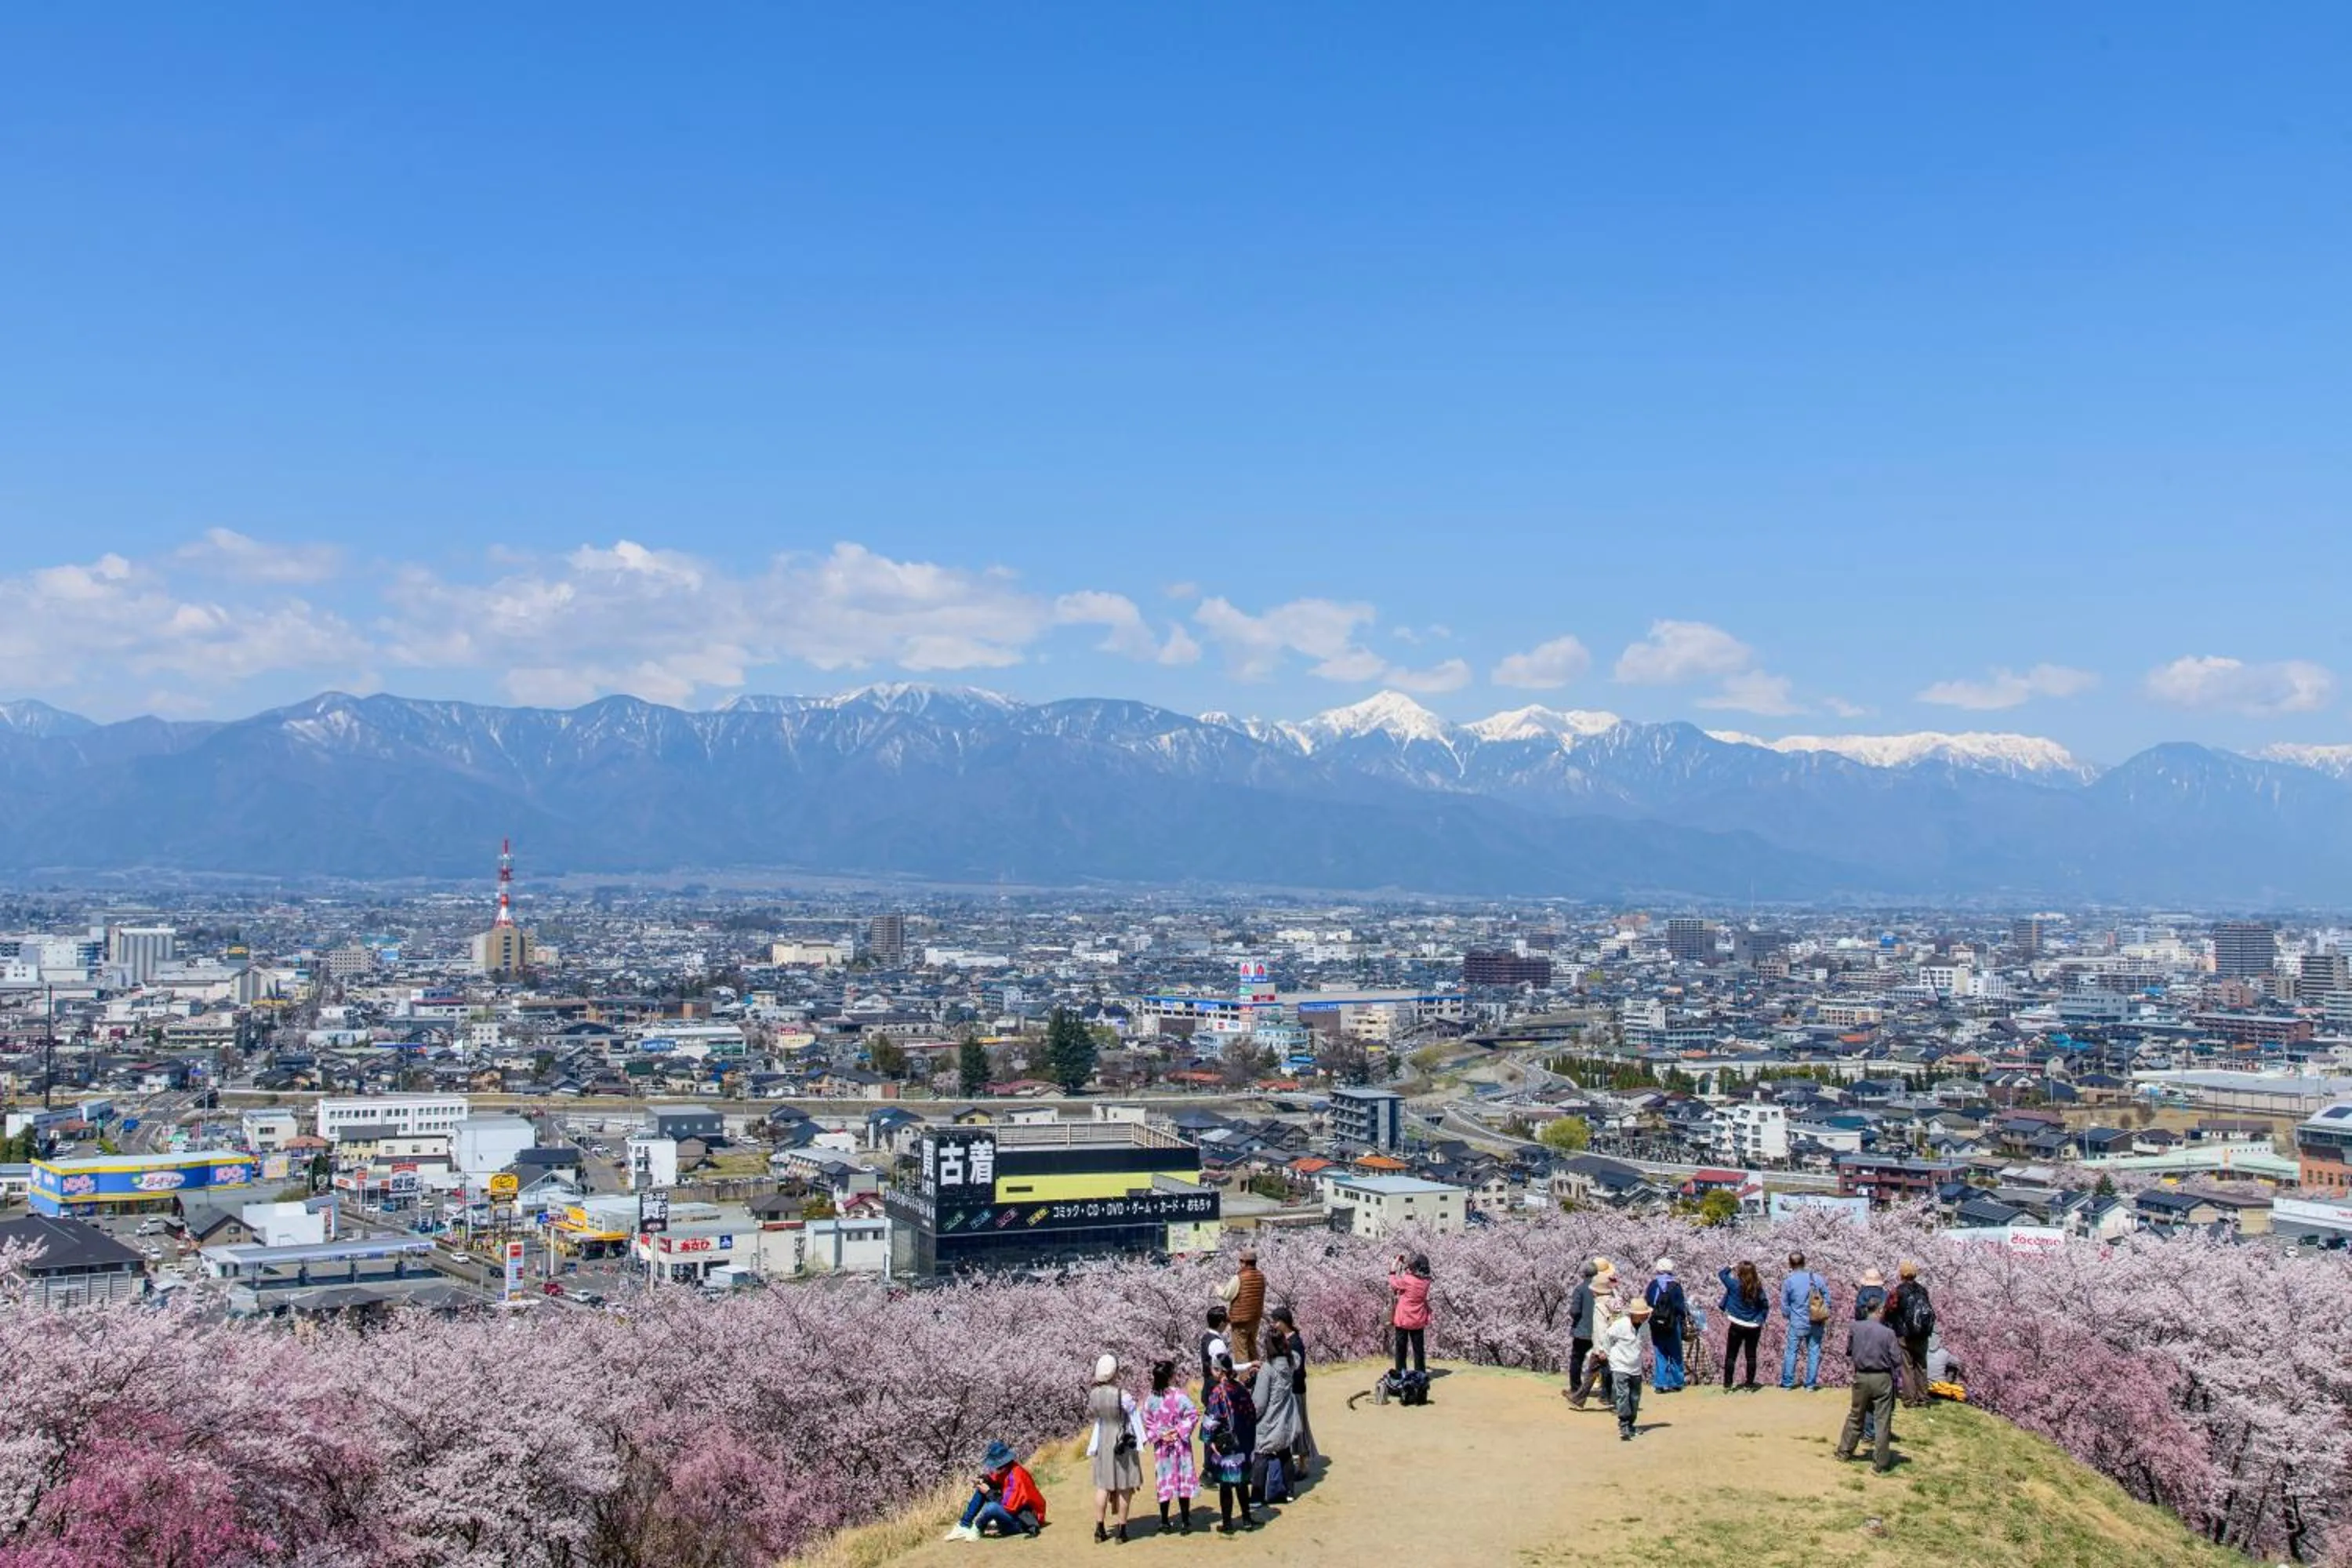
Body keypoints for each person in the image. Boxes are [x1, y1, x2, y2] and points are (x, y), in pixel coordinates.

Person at [1835, 1296, 1904, 1473]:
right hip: (1882, 1378)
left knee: (1856, 1415)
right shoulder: (1888, 1333)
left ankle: (1844, 1452)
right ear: (1880, 1311)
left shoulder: (1855, 1327)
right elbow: (1897, 1360)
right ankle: (1880, 1463)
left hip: (1861, 1377)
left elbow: (1849, 1351)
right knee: (1882, 1419)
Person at [1085, 1354, 1145, 1544]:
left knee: (1103, 1485)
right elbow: (1134, 1413)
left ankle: (1099, 1528)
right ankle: (1122, 1531)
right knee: (1125, 1485)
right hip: (1121, 1441)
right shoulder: (1122, 1395)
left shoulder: (1094, 1395)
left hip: (1103, 1439)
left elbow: (1093, 1414)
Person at [1201, 1355, 1259, 1534]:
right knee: (1242, 1483)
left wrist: (1209, 1439)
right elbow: (1251, 1415)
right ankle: (1247, 1519)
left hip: (1225, 1443)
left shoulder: (1218, 1392)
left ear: (1219, 1371)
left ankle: (1227, 1524)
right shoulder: (1241, 1389)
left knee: (1226, 1485)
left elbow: (1211, 1420)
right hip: (1242, 1443)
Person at [1142, 1359, 1200, 1535]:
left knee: (1164, 1480)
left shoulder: (1150, 1399)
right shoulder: (1180, 1396)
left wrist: (1160, 1434)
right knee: (1183, 1479)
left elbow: (1147, 1422)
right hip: (1180, 1444)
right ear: (1171, 1376)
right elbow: (1192, 1414)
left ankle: (1165, 1521)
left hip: (1162, 1448)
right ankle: (1185, 1521)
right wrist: (1178, 1430)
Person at [944, 1440, 1045, 1541]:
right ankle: (964, 1525)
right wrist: (983, 1480)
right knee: (981, 1488)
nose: (996, 1468)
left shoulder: (1017, 1476)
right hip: (1016, 1513)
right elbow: (994, 1479)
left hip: (1024, 1521)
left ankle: (978, 1528)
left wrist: (988, 1492)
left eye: (997, 1465)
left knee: (991, 1508)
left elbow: (1009, 1506)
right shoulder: (1008, 1469)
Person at [1250, 1324, 1304, 1504]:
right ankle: (1289, 1492)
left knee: (1261, 1454)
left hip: (1269, 1419)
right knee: (1284, 1452)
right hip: (1286, 1417)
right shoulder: (1291, 1362)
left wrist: (1252, 1417)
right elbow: (1296, 1357)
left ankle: (1257, 1496)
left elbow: (1260, 1402)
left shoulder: (1268, 1368)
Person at [1269, 1305, 1316, 1472]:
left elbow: (1297, 1369)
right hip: (1291, 1389)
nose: (1273, 1325)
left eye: (1276, 1322)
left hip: (1295, 1389)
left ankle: (1303, 1464)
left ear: (1283, 1322)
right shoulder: (1287, 1340)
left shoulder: (1294, 1342)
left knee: (1299, 1425)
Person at [1779, 1252, 1831, 1392]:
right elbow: (1827, 1297)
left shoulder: (1789, 1281)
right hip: (1816, 1321)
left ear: (1790, 1264)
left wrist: (1790, 1316)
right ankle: (1810, 1385)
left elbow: (1784, 1305)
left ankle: (1788, 1383)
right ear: (1804, 1262)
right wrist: (1822, 1312)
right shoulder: (1816, 1278)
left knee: (1791, 1352)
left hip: (1797, 1322)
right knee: (1813, 1352)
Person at [1602, 1297, 1652, 1440]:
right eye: (1643, 1314)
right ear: (1634, 1314)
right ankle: (1623, 1425)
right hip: (1620, 1366)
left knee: (1635, 1397)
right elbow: (1607, 1337)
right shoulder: (1620, 1325)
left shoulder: (1645, 1326)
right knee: (1623, 1394)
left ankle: (1630, 1424)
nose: (1646, 1316)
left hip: (1635, 1367)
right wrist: (1607, 1354)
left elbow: (1644, 1343)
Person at [1717, 1259, 1770, 1392]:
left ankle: (1728, 1385)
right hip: (1753, 1325)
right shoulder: (1757, 1287)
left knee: (1731, 1355)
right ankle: (1749, 1384)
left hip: (1736, 1324)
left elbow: (1722, 1274)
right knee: (1751, 1355)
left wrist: (1730, 1266)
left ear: (1740, 1272)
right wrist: (1761, 1319)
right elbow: (1765, 1305)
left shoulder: (1734, 1285)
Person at [1890, 1261, 1935, 1407]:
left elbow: (1892, 1311)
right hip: (1922, 1334)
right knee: (1921, 1366)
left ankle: (1909, 1399)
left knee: (1907, 1367)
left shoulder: (1899, 1291)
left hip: (1906, 1335)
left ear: (1901, 1275)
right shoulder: (1922, 1290)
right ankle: (1923, 1398)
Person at [1644, 1258, 1689, 1392]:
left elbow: (1649, 1302)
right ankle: (1677, 1382)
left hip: (1656, 1324)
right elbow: (1681, 1307)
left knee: (1660, 1352)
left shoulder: (1653, 1285)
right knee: (1675, 1353)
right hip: (1673, 1323)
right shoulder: (1675, 1286)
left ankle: (1660, 1383)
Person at [1563, 1259, 1601, 1407]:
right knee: (1601, 1362)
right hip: (1600, 1331)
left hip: (1582, 1331)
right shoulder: (1602, 1288)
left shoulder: (1580, 1289)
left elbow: (1575, 1311)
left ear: (1584, 1274)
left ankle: (1576, 1389)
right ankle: (1607, 1393)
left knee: (1576, 1359)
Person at [1388, 1250, 1432, 1375]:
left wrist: (1393, 1268)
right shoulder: (1427, 1281)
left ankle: (1401, 1374)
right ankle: (1421, 1375)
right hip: (1418, 1319)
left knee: (1401, 1349)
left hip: (1403, 1319)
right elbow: (1413, 1275)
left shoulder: (1407, 1280)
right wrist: (1406, 1265)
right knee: (1418, 1350)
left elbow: (1393, 1283)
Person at [1222, 1250, 1268, 1363]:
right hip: (1255, 1319)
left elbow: (1226, 1295)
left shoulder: (1239, 1277)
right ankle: (1258, 1376)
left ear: (1243, 1262)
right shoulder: (1261, 1276)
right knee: (1252, 1349)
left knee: (1241, 1352)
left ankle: (1245, 1379)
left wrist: (1217, 1288)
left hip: (1240, 1321)